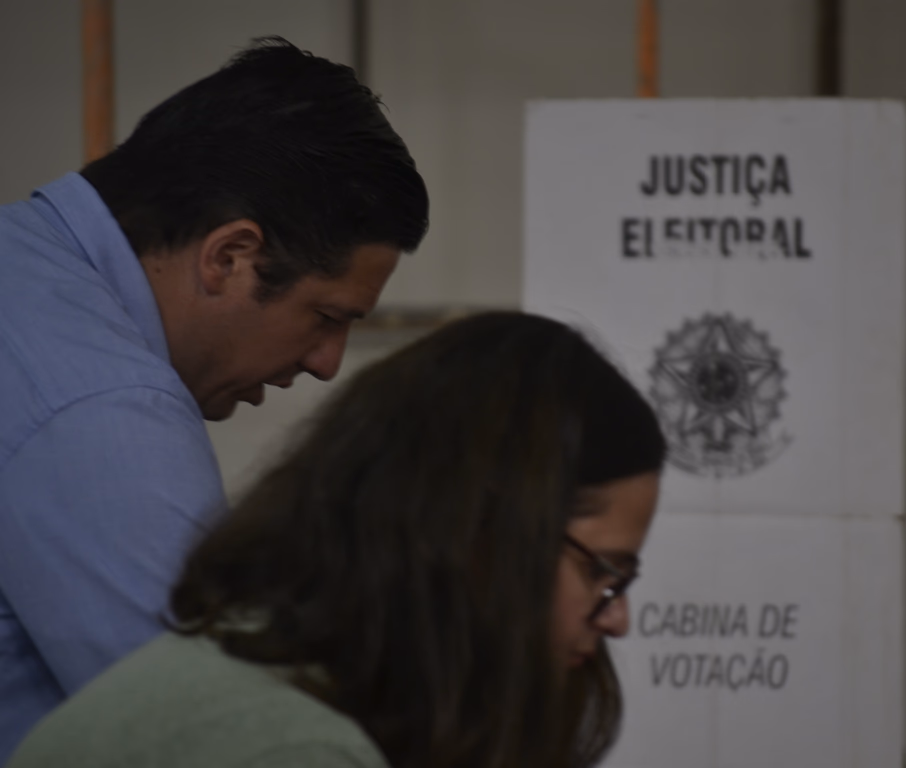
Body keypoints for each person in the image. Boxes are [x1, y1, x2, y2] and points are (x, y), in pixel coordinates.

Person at [0, 36, 428, 760]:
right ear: (230, 256)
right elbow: (235, 741)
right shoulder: (104, 408)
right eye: (327, 317)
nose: (327, 364)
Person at [7, 311, 666, 768]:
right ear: (482, 535)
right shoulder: (286, 745)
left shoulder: (302, 686)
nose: (618, 617)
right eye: (604, 571)